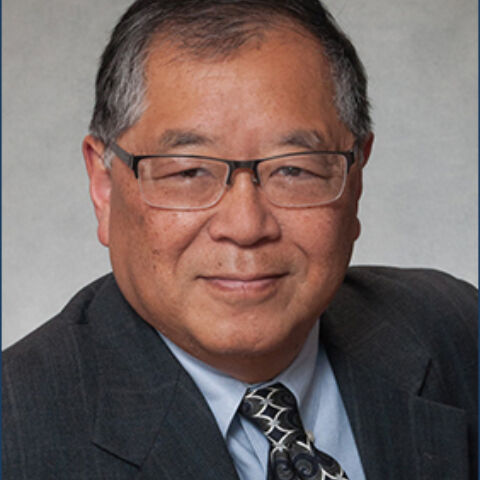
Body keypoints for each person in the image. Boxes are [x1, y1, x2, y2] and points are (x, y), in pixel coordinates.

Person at [2, 1, 477, 479]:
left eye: (294, 169)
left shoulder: (457, 330)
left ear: (355, 178)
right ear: (104, 188)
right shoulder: (15, 435)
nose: (247, 227)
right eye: (188, 172)